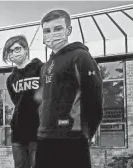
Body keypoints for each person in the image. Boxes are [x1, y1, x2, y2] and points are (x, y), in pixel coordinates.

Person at [35, 9, 103, 168]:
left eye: (58, 28)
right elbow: (46, 99)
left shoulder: (80, 57)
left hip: (71, 138)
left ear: (68, 30)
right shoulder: (46, 66)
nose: (52, 34)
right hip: (44, 137)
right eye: (47, 31)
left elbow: (95, 98)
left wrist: (88, 132)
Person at [3, 35, 44, 168]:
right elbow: (16, 102)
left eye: (17, 49)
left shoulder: (41, 69)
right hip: (19, 132)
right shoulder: (10, 79)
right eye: (10, 51)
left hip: (39, 129)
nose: (14, 53)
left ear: (26, 49)